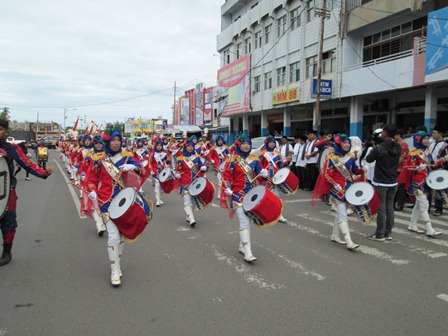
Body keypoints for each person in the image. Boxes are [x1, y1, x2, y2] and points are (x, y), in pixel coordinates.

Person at [87, 130, 147, 286]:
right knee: (113, 235)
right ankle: (114, 271)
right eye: (113, 140)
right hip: (106, 201)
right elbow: (91, 179)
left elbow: (143, 172)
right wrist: (92, 190)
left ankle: (117, 265)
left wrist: (132, 167)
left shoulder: (127, 156)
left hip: (123, 202)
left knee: (121, 236)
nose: (116, 143)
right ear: (108, 142)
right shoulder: (99, 159)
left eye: (118, 140)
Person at [0, 119, 52, 266]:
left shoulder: (12, 149)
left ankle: (6, 252)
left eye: (0, 129)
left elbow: (27, 164)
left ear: (5, 131)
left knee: (8, 223)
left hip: (6, 192)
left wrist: (43, 173)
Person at [221, 135, 268, 262]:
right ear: (239, 145)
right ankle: (248, 253)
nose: (246, 146)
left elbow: (260, 176)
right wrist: (227, 188)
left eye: (248, 143)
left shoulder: (255, 159)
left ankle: (242, 246)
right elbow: (226, 177)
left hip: (252, 195)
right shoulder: (232, 160)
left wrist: (264, 175)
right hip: (238, 194)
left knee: (249, 221)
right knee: (244, 222)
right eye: (244, 143)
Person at [316, 134, 363, 250]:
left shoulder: (351, 157)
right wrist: (334, 185)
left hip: (348, 188)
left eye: (348, 143)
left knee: (340, 214)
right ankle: (349, 241)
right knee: (343, 214)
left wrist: (363, 170)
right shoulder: (332, 157)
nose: (347, 145)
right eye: (344, 142)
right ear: (339, 144)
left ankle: (335, 235)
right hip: (337, 190)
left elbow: (355, 171)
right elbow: (327, 174)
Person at [403, 131, 447, 237]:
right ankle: (429, 229)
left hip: (426, 181)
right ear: (419, 140)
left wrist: (442, 160)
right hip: (417, 182)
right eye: (425, 138)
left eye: (428, 138)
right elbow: (407, 167)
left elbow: (432, 164)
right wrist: (417, 169)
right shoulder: (413, 153)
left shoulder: (427, 151)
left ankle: (412, 225)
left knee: (418, 205)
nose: (427, 140)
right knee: (424, 205)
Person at [365, 124, 401, 241]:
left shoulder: (380, 147)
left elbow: (369, 158)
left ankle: (379, 233)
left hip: (381, 182)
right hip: (393, 181)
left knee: (381, 208)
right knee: (389, 207)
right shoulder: (398, 147)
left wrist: (375, 147)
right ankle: (388, 233)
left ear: (385, 133)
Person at [175, 138, 207, 228]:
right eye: (188, 146)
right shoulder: (181, 159)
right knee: (187, 201)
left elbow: (201, 167)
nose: (190, 148)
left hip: (195, 182)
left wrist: (204, 168)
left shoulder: (196, 158)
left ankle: (188, 216)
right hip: (185, 182)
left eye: (191, 146)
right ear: (185, 147)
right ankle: (192, 219)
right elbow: (178, 169)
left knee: (192, 201)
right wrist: (177, 174)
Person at [258, 135, 291, 222]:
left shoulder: (277, 153)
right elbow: (259, 167)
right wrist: (263, 173)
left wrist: (286, 160)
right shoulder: (262, 155)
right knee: (266, 198)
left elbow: (280, 165)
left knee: (277, 197)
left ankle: (279, 215)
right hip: (266, 179)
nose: (272, 144)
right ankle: (265, 214)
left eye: (273, 142)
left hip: (276, 178)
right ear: (266, 143)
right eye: (270, 142)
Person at [428, 125, 447, 216]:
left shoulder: (445, 145)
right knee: (428, 188)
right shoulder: (431, 143)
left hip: (439, 169)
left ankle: (438, 209)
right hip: (429, 168)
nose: (433, 135)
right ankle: (426, 207)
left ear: (440, 134)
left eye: (434, 133)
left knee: (438, 189)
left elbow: (445, 158)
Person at [149, 137, 171, 207]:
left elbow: (168, 161)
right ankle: (157, 200)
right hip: (155, 172)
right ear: (155, 146)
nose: (159, 147)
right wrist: (151, 170)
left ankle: (160, 198)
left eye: (160, 145)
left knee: (162, 186)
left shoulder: (165, 153)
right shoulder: (153, 153)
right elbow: (150, 163)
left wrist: (167, 164)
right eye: (158, 145)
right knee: (157, 185)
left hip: (163, 172)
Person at [393, 129, 409, 211]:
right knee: (395, 187)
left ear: (398, 135)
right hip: (396, 168)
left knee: (400, 188)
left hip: (401, 169)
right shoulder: (397, 144)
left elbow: (402, 157)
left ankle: (400, 204)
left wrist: (393, 165)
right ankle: (394, 203)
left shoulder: (403, 145)